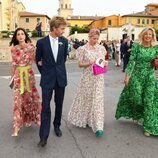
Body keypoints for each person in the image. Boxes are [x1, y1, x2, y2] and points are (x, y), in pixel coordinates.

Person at [115, 27, 158, 136]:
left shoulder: (156, 47)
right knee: (137, 99)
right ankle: (138, 114)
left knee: (148, 100)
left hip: (150, 76)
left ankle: (148, 127)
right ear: (142, 35)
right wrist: (127, 76)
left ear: (153, 36)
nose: (148, 36)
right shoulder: (136, 46)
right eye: (146, 34)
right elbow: (131, 62)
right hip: (137, 76)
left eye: (150, 34)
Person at [68, 28, 108, 137]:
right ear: (89, 37)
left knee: (98, 100)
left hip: (99, 77)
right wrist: (90, 62)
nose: (96, 40)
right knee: (86, 98)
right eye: (93, 38)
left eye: (97, 38)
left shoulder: (102, 48)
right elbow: (80, 64)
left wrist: (104, 63)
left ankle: (98, 125)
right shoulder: (83, 49)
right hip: (87, 78)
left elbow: (103, 61)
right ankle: (85, 118)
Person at [36, 16, 68, 147]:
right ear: (54, 28)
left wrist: (57, 70)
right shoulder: (42, 42)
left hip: (60, 78)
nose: (63, 31)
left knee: (59, 104)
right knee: (45, 107)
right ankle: (43, 136)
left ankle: (57, 126)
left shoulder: (64, 41)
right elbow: (38, 60)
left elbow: (63, 59)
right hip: (47, 79)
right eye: (62, 29)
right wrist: (45, 72)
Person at [9, 27, 41, 137]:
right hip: (18, 76)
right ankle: (16, 127)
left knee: (30, 98)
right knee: (18, 100)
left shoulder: (31, 47)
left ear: (25, 35)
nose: (20, 36)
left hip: (29, 75)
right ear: (16, 37)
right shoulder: (14, 49)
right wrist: (12, 78)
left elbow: (38, 59)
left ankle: (32, 119)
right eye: (18, 34)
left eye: (22, 34)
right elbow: (13, 65)